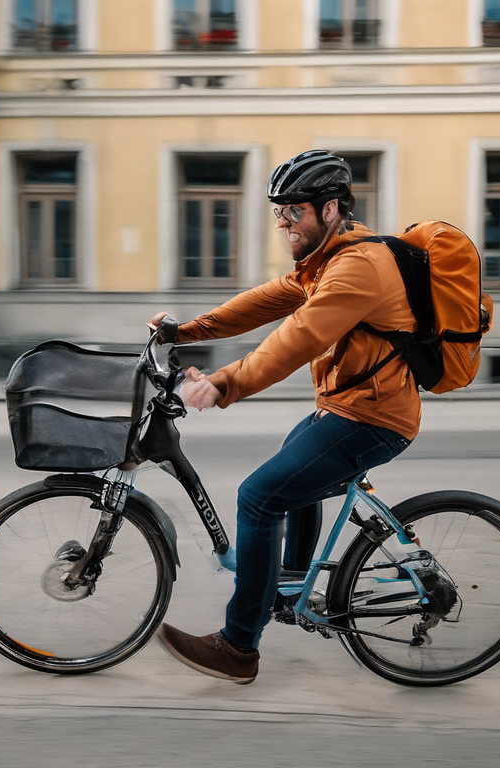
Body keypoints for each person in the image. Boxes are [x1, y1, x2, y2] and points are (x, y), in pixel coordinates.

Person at [149, 149, 419, 684]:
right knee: (289, 482)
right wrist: (188, 332)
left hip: (374, 418)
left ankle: (237, 647)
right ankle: (290, 582)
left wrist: (222, 384)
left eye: (293, 210)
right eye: (279, 211)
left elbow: (296, 339)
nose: (282, 222)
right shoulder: (328, 259)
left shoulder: (358, 267)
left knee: (260, 495)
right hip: (345, 407)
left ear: (331, 208)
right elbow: (264, 302)